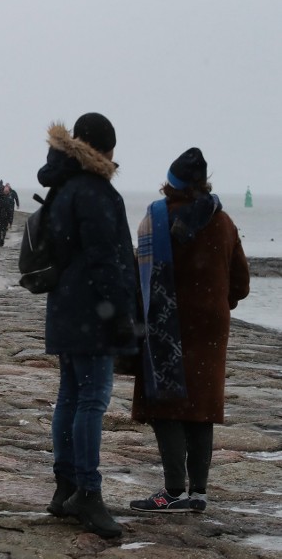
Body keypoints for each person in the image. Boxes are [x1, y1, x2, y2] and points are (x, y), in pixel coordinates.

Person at [129, 148, 250, 513]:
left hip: (167, 323)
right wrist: (215, 301)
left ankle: (172, 491)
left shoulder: (156, 218)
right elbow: (241, 284)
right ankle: (199, 492)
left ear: (171, 183)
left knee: (165, 404)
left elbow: (140, 279)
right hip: (210, 326)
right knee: (202, 404)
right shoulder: (224, 221)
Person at [38, 113, 137, 539]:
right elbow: (105, 261)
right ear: (105, 150)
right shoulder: (96, 192)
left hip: (66, 308)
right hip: (92, 313)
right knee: (92, 401)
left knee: (71, 397)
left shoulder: (62, 186)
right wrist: (120, 316)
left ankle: (66, 485)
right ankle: (88, 493)